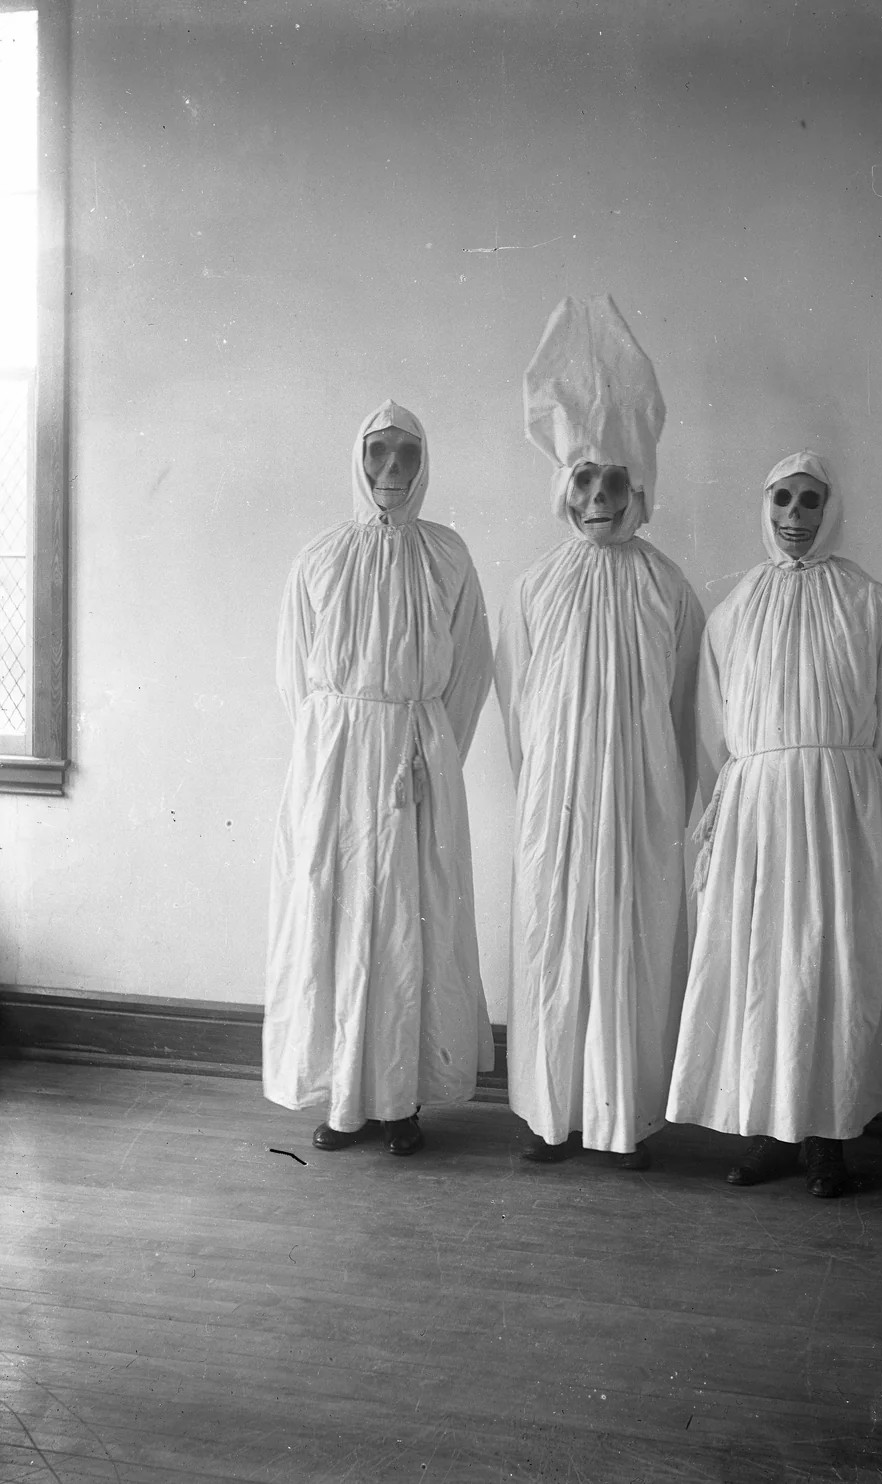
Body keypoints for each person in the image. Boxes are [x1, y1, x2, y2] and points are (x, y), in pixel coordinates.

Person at [666, 451, 882, 1197]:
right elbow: (712, 734)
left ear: (831, 510)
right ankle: (772, 1134)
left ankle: (828, 1137)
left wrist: (870, 816)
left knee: (831, 966)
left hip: (842, 811)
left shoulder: (870, 603)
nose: (795, 516)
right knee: (765, 965)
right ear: (766, 507)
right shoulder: (734, 610)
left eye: (810, 501)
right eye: (783, 500)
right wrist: (727, 818)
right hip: (759, 810)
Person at [495, 295, 704, 1171]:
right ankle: (554, 1114)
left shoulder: (667, 589)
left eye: (612, 483)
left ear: (638, 492)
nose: (597, 498)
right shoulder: (536, 589)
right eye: (583, 481)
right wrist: (548, 784)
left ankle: (623, 1119)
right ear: (563, 490)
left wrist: (665, 798)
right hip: (559, 794)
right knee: (556, 935)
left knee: (630, 938)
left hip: (640, 791)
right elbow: (514, 700)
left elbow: (690, 704)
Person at [263, 400, 494, 1155]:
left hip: (415, 760)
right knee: (338, 921)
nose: (391, 471)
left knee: (407, 922)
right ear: (357, 462)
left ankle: (402, 1102)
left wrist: (427, 749)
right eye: (377, 454)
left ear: (425, 465)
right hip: (336, 761)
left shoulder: (449, 556)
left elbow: (469, 670)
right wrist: (339, 747)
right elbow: (297, 677)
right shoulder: (320, 557)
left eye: (406, 455)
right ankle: (344, 1101)